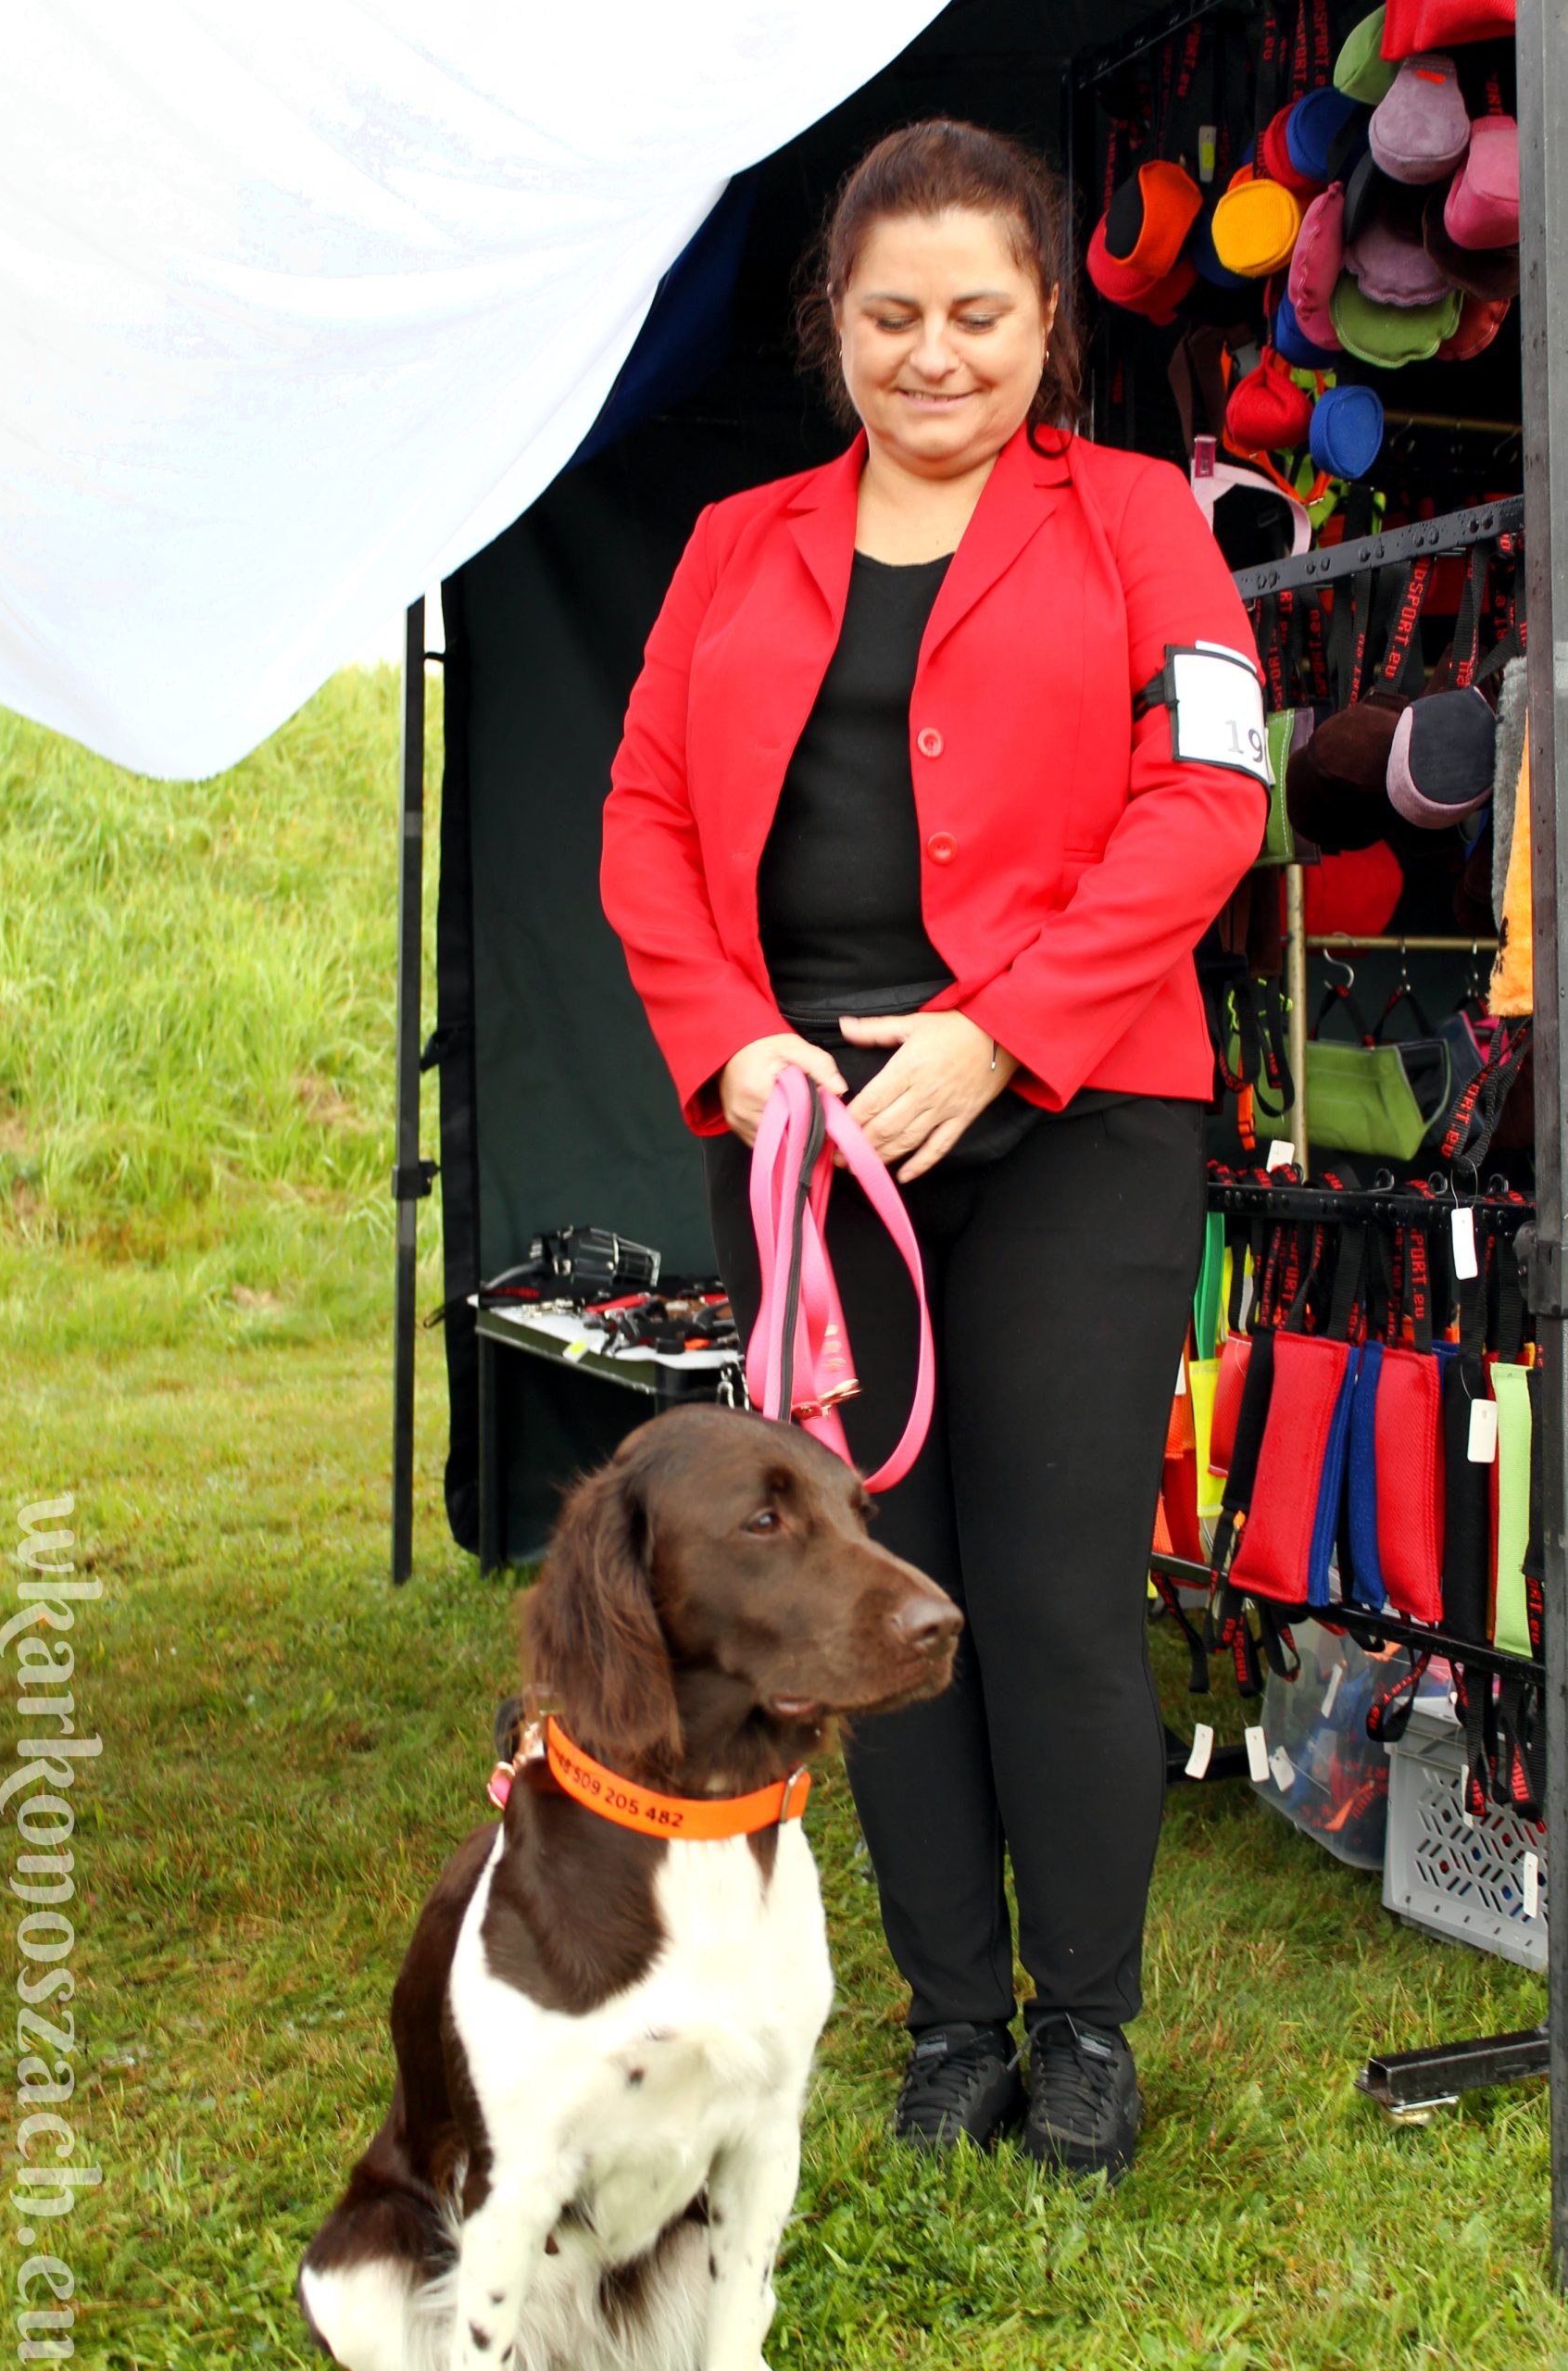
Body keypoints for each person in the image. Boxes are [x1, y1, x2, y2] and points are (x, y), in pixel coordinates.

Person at [599, 119, 1267, 2183]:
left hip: (1074, 1109)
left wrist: (1004, 1027)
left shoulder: (1138, 518)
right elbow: (643, 816)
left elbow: (1209, 800)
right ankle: (950, 2019)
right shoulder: (737, 539)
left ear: (1047, 317)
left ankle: (1085, 2025)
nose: (935, 354)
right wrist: (731, 1049)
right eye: (891, 315)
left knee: (1050, 1592)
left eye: (978, 312)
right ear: (834, 323)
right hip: (807, 1147)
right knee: (866, 1592)